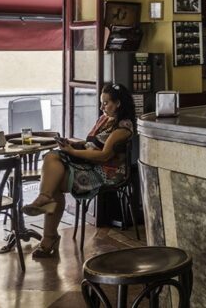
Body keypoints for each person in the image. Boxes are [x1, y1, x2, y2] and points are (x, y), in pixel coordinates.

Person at [22, 83, 135, 259]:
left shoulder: (123, 128)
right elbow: (92, 143)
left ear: (118, 103)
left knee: (54, 172)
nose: (101, 107)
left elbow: (105, 155)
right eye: (101, 103)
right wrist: (74, 144)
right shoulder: (105, 119)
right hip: (88, 162)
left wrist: (72, 152)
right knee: (51, 160)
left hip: (105, 171)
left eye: (105, 103)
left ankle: (49, 234)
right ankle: (47, 217)